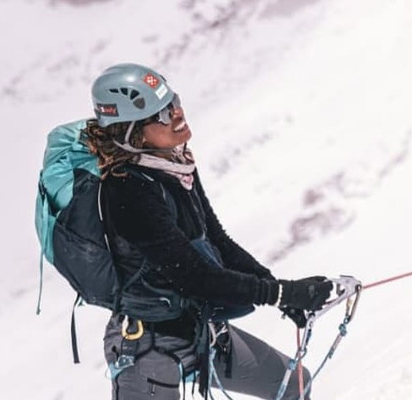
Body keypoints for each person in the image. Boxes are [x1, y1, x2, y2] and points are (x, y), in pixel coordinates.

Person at [83, 63, 333, 400]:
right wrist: (280, 293)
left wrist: (278, 291)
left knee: (293, 384)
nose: (177, 114)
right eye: (162, 114)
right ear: (132, 134)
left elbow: (216, 241)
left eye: (174, 102)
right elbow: (193, 276)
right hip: (146, 349)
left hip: (199, 330)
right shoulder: (128, 191)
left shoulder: (176, 165)